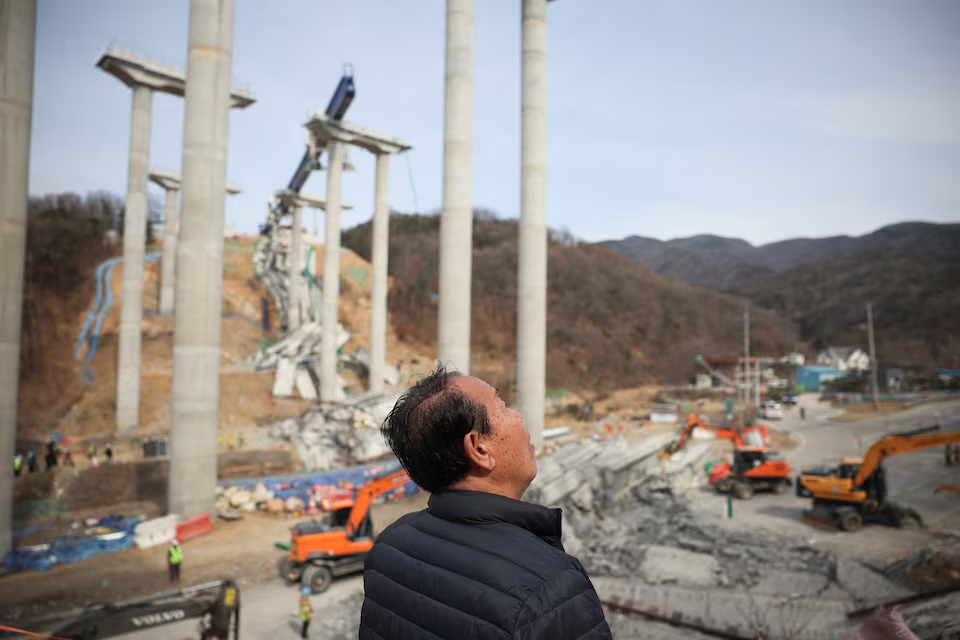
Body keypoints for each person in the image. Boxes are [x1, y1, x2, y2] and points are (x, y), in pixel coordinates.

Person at [360, 363, 611, 639]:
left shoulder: (388, 549)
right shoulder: (549, 589)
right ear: (479, 449)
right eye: (502, 407)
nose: (517, 415)